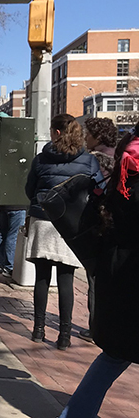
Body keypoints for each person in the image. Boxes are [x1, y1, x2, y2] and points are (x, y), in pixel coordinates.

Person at [57, 122, 139, 417]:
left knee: (114, 355)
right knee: (115, 356)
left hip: (118, 270)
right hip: (129, 274)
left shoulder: (125, 162)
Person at [25, 113, 101, 350]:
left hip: (43, 220)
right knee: (66, 279)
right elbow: (97, 190)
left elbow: (29, 190)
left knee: (42, 277)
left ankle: (38, 330)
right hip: (71, 225)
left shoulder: (40, 160)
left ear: (57, 133)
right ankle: (65, 335)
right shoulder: (88, 161)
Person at [78, 116, 117, 343]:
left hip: (97, 223)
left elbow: (90, 191)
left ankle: (96, 327)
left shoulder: (93, 161)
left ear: (98, 137)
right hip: (116, 225)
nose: (85, 138)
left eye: (89, 134)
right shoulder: (120, 156)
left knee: (94, 278)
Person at [0, 205, 27, 278]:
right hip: (18, 207)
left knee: (2, 232)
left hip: (4, 206)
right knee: (13, 235)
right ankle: (9, 267)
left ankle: (0, 264)